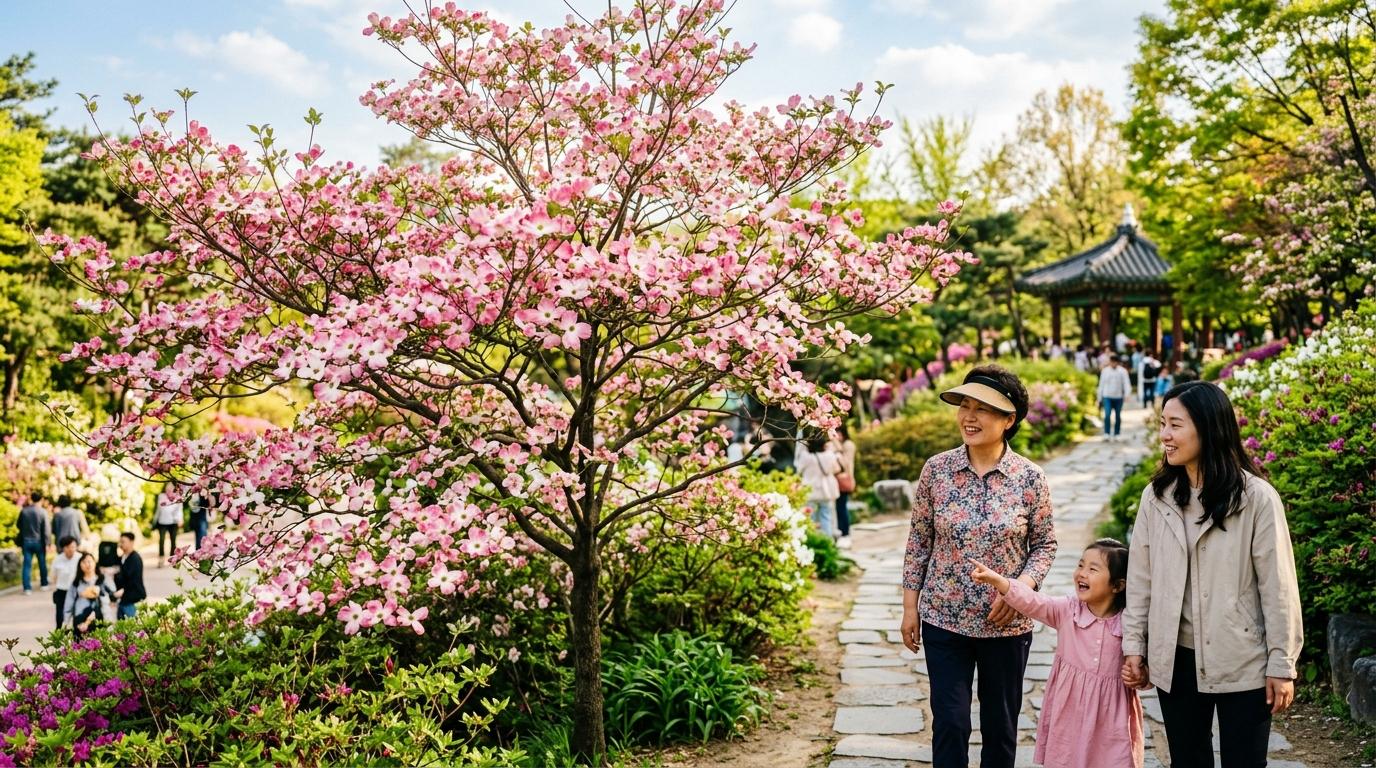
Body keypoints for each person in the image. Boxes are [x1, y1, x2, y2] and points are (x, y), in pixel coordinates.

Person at [1121, 381, 1303, 767]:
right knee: (1188, 761)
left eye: (1175, 425)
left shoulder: (1256, 499)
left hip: (1242, 659)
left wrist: (1281, 664)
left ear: (1208, 428)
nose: (1165, 436)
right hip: (1176, 658)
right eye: (1162, 424)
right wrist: (1134, 646)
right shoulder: (1157, 497)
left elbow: (1279, 588)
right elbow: (1141, 579)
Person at [900, 365, 1058, 768]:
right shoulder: (937, 470)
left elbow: (1044, 545)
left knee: (1001, 728)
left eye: (983, 409)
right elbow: (919, 541)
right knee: (950, 723)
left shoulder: (1029, 478)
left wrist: (1018, 589)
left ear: (1010, 420)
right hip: (943, 618)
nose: (969, 417)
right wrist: (909, 607)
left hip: (1006, 623)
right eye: (964, 406)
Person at [970, 538, 1144, 768]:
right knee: (1067, 759)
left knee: (1113, 760)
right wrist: (1000, 582)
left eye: (1093, 569)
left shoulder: (1130, 625)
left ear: (1118, 585)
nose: (1081, 573)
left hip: (1112, 719)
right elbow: (1034, 602)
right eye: (1080, 565)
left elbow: (1142, 670)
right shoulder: (1068, 611)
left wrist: (1141, 677)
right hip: (1070, 714)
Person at [795, 432, 842, 539]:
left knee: (810, 518)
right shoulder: (829, 455)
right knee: (826, 517)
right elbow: (837, 469)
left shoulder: (805, 457)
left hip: (810, 491)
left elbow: (799, 470)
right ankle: (828, 542)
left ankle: (812, 541)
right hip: (826, 491)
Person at [65, 552, 115, 639]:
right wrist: (66, 622)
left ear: (95, 563)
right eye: (84, 562)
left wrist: (99, 593)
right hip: (80, 618)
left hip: (100, 618)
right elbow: (69, 603)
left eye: (90, 561)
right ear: (80, 565)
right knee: (80, 645)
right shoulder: (76, 583)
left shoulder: (102, 579)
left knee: (99, 645)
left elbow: (112, 595)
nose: (87, 564)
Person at [17, 492, 51, 594]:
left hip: (26, 541)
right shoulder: (43, 512)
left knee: (27, 565)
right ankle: (44, 584)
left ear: (31, 499)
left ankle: (27, 588)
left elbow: (19, 525)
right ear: (41, 499)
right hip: (39, 542)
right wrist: (48, 542)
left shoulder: (24, 511)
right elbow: (46, 529)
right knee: (42, 563)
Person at [834, 424, 858, 549]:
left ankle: (845, 532)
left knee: (841, 507)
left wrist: (837, 448)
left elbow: (846, 464)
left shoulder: (848, 445)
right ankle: (842, 532)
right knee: (839, 507)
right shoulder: (843, 444)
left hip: (844, 479)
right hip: (839, 480)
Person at [1097, 354, 1131, 441]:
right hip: (1107, 396)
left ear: (1117, 362)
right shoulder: (1105, 371)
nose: (1113, 364)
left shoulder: (1122, 371)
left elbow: (1126, 383)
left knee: (1118, 415)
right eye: (1112, 362)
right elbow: (1101, 384)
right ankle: (1107, 433)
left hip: (1118, 397)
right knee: (1107, 415)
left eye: (1115, 362)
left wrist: (1127, 394)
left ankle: (1117, 433)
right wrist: (1099, 397)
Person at [114, 531, 146, 619]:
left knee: (133, 626)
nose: (120, 544)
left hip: (132, 598)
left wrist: (123, 590)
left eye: (123, 542)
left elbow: (133, 578)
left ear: (131, 542)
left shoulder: (135, 558)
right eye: (120, 542)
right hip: (123, 599)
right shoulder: (121, 558)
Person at [50, 536, 81, 630]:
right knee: (60, 616)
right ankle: (59, 636)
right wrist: (54, 588)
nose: (71, 549)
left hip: (77, 591)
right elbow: (53, 576)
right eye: (68, 547)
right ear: (63, 548)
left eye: (73, 546)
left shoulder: (80, 558)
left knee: (78, 615)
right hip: (61, 591)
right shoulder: (57, 559)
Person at [153, 485, 184, 567]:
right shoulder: (161, 496)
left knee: (173, 540)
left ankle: (173, 559)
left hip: (173, 521)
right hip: (162, 521)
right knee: (161, 540)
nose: (169, 488)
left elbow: (180, 509)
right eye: (167, 486)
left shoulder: (178, 496)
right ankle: (161, 559)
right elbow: (158, 509)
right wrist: (155, 520)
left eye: (171, 487)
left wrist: (180, 519)